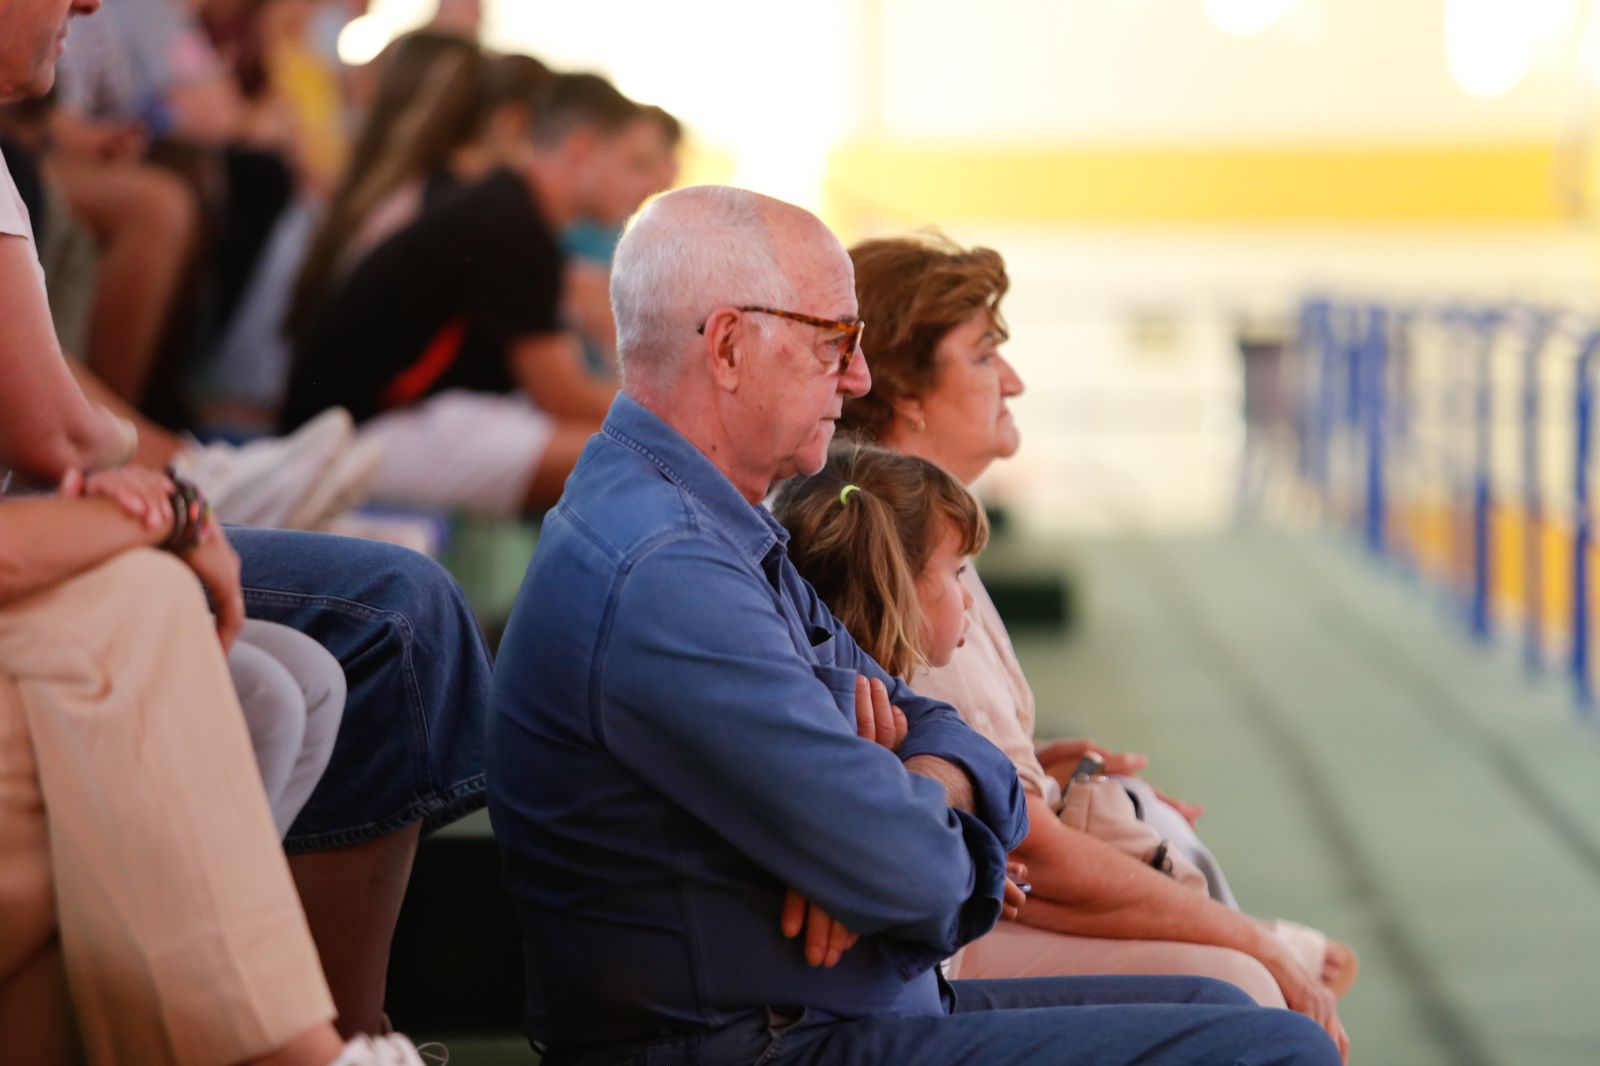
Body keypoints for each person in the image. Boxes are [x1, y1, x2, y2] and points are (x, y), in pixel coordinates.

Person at [487, 183, 1342, 1066]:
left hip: (819, 1012)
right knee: (1272, 1051)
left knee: (1223, 1006)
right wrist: (898, 808)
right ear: (730, 347)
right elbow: (916, 879)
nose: (855, 377)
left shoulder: (697, 516)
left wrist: (914, 780)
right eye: (833, 341)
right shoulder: (672, 570)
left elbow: (927, 724)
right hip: (760, 1043)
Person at [1, 0, 494, 1035]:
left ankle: (331, 1036)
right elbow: (53, 434)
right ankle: (336, 1040)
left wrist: (153, 496)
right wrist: (163, 507)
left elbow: (51, 405)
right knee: (390, 616)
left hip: (56, 506)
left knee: (295, 668)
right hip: (50, 515)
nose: (87, 4)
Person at [839, 233, 1357, 1009]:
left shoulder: (928, 539)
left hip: (977, 896)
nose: (1013, 381)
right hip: (951, 939)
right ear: (906, 392)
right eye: (984, 357)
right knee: (1244, 988)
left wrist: (1038, 768)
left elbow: (987, 798)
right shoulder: (893, 564)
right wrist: (1256, 941)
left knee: (1237, 952)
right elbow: (1027, 855)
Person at [282, 72, 661, 515]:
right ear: (581, 148)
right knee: (636, 456)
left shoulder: (512, 207)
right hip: (343, 435)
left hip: (374, 421)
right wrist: (677, 422)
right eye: (634, 163)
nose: (646, 186)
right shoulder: (512, 222)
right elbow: (563, 396)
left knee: (630, 445)